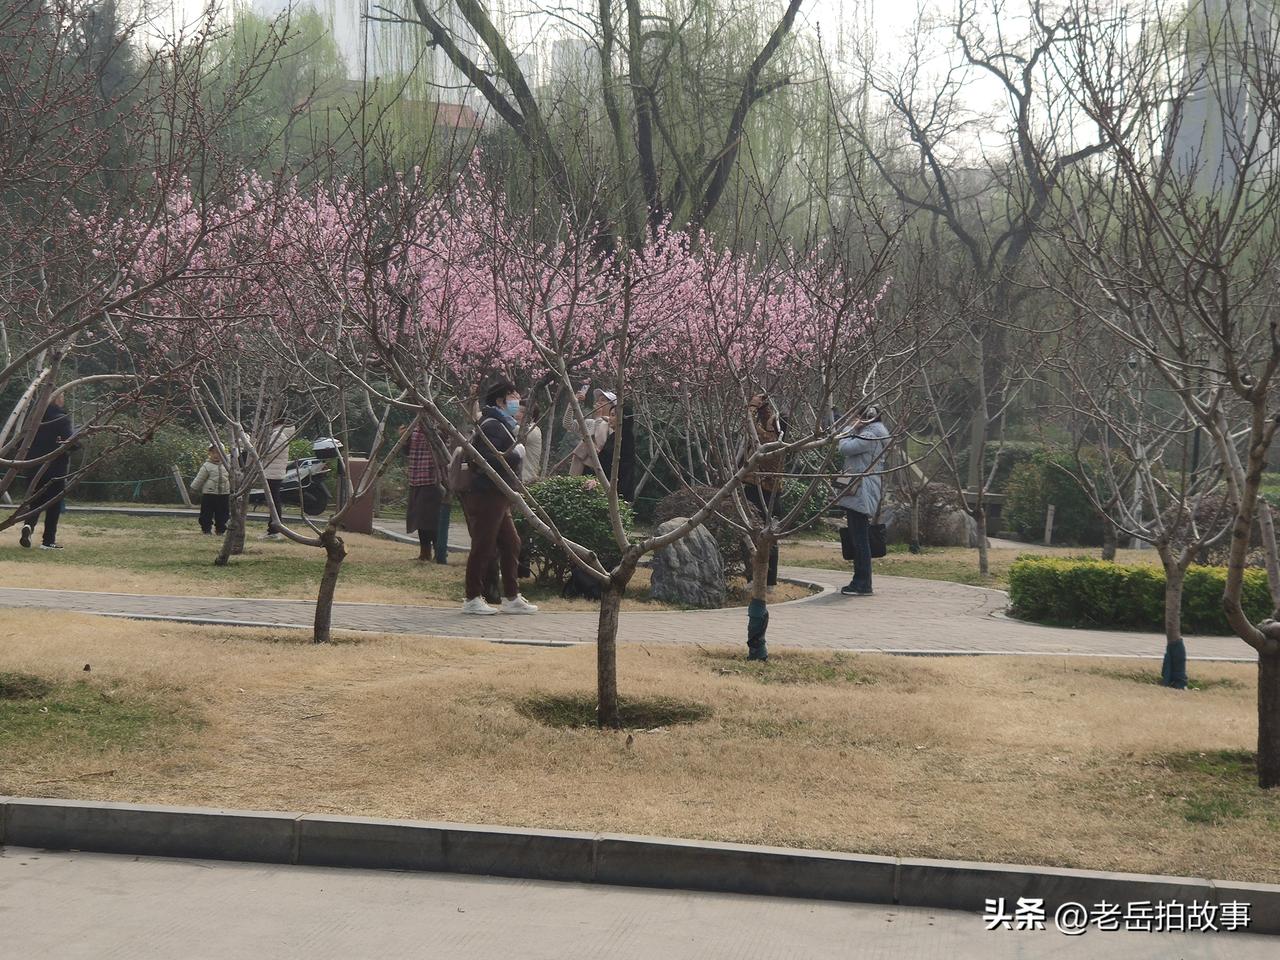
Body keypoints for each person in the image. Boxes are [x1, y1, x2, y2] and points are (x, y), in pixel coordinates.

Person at [459, 380, 538, 616]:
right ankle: (472, 597)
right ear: (500, 400)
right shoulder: (493, 425)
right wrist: (516, 454)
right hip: (488, 495)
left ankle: (511, 597)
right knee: (483, 546)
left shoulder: (501, 423)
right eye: (512, 395)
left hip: (498, 495)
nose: (517, 400)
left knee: (511, 543)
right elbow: (488, 459)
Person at [836, 405, 891, 596]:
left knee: (859, 538)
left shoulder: (870, 435)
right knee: (858, 536)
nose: (853, 419)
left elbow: (844, 447)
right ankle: (861, 581)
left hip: (862, 490)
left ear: (866, 417)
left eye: (857, 416)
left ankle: (862, 583)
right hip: (860, 489)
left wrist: (849, 428)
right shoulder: (872, 433)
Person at [18, 392, 74, 550]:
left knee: (35, 501)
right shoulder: (61, 419)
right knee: (54, 503)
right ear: (58, 399)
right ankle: (48, 540)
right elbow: (70, 441)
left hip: (33, 465)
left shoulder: (34, 419)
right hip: (55, 466)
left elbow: (21, 441)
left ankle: (28, 526)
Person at [741, 394, 785, 588]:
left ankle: (757, 579)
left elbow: (749, 426)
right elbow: (767, 423)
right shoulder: (780, 438)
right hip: (771, 492)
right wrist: (764, 407)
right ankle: (769, 581)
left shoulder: (769, 440)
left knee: (755, 534)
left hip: (759, 491)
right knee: (769, 537)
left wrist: (752, 406)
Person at [404, 417, 445, 562]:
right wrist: (405, 439)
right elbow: (407, 451)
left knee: (430, 519)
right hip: (416, 479)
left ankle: (438, 552)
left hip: (432, 479)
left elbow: (443, 451)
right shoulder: (414, 429)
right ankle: (424, 553)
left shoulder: (438, 429)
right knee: (419, 518)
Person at [564, 386, 614, 476]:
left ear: (612, 406)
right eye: (598, 400)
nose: (598, 402)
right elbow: (568, 424)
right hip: (581, 468)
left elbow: (601, 443)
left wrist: (599, 417)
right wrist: (572, 403)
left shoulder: (612, 426)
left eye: (603, 400)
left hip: (599, 471)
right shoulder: (590, 422)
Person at [260, 418, 295, 539]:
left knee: (273, 501)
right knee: (274, 501)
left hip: (272, 473)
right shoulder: (281, 434)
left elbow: (269, 452)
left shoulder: (278, 435)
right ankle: (273, 529)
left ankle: (274, 530)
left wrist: (260, 446)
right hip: (274, 472)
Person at [598, 399, 636, 501]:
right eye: (610, 415)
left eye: (613, 415)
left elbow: (624, 466)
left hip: (618, 489)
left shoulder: (626, 438)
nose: (610, 418)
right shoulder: (613, 436)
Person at [190, 444, 231, 535]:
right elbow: (200, 478)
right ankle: (206, 529)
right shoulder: (207, 466)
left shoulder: (227, 465)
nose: (216, 455)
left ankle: (220, 529)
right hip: (209, 494)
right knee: (206, 513)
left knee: (223, 514)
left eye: (218, 453)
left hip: (224, 494)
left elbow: (232, 477)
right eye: (213, 453)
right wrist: (194, 488)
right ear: (209, 453)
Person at [517, 399, 543, 484]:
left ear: (532, 417)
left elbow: (517, 432)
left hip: (526, 479)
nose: (517, 414)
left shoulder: (533, 430)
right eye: (517, 410)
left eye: (522, 412)